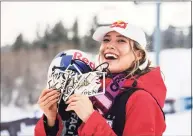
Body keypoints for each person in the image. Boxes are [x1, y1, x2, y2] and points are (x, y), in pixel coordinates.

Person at [35, 20, 167, 136]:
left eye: (121, 40)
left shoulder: (141, 100)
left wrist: (90, 118)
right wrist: (50, 120)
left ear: (138, 55)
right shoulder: (91, 87)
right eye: (106, 40)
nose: (110, 45)